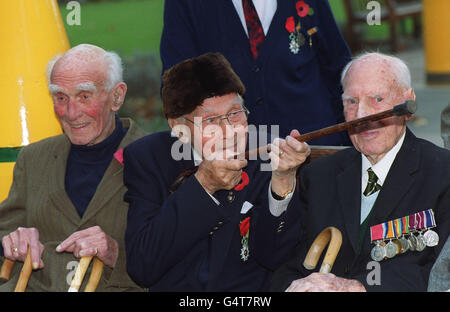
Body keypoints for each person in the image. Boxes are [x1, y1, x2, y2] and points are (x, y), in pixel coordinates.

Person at [123, 52, 311, 291]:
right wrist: (204, 185)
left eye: (235, 114)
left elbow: (274, 257)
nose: (229, 130)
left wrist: (282, 180)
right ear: (179, 127)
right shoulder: (150, 159)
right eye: (210, 120)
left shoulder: (265, 155)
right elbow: (143, 267)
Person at [271, 52, 450, 292]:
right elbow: (280, 261)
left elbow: (440, 274)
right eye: (351, 102)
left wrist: (358, 287)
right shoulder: (319, 175)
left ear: (408, 103)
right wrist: (282, 180)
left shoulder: (442, 173)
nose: (362, 115)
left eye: (377, 99)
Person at [0, 44, 147, 291]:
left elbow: (181, 261)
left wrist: (115, 255)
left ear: (116, 97)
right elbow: (4, 232)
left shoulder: (159, 159)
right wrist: (9, 242)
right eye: (61, 98)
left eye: (84, 96)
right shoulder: (33, 158)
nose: (70, 112)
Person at [160, 0, 352, 145]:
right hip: (238, 160)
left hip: (314, 148)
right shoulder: (185, 4)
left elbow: (338, 70)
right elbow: (177, 89)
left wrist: (348, 142)